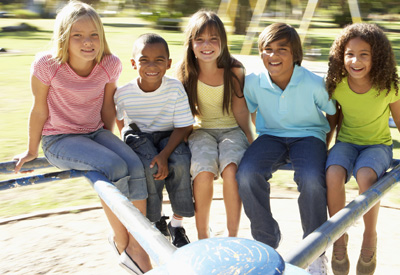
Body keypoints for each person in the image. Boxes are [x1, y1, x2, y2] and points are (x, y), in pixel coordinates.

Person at [12, 1, 152, 273]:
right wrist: (31, 149)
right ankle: (122, 240)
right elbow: (39, 109)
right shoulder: (47, 65)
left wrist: (108, 141)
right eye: (78, 35)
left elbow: (107, 106)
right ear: (64, 36)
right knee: (113, 167)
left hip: (95, 133)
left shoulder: (109, 64)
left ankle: (138, 244)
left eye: (94, 35)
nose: (87, 42)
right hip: (59, 139)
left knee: (133, 164)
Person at [325, 23, 400, 275]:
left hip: (378, 145)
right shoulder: (337, 84)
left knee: (365, 176)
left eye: (364, 54)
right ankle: (339, 239)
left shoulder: (388, 87)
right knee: (332, 174)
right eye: (350, 54)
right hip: (346, 143)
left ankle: (369, 237)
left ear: (378, 58)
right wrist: (326, 147)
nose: (356, 60)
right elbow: (333, 119)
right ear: (341, 56)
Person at [236, 23, 336, 274]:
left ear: (295, 54)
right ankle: (266, 239)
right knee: (247, 173)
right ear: (260, 53)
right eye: (268, 49)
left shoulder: (313, 82)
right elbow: (249, 108)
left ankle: (315, 251)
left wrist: (326, 142)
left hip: (309, 136)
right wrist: (260, 131)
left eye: (282, 49)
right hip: (270, 136)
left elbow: (333, 112)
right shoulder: (253, 82)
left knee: (312, 177)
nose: (274, 55)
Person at [176, 10, 253, 240]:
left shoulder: (235, 70)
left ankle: (232, 235)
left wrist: (250, 138)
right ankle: (202, 235)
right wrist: (181, 140)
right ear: (191, 43)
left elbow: (240, 109)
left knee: (231, 170)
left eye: (213, 39)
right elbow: (183, 112)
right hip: (202, 130)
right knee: (203, 170)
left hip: (232, 129)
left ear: (223, 42)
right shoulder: (184, 70)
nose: (206, 45)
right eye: (199, 39)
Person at [114, 33, 195, 248]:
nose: (152, 66)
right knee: (149, 165)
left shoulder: (175, 88)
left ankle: (176, 225)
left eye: (159, 60)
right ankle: (156, 219)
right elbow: (120, 120)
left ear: (168, 64)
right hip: (140, 135)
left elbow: (185, 125)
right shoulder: (124, 93)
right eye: (144, 60)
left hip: (171, 134)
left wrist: (165, 154)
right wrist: (127, 140)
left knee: (180, 161)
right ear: (133, 63)